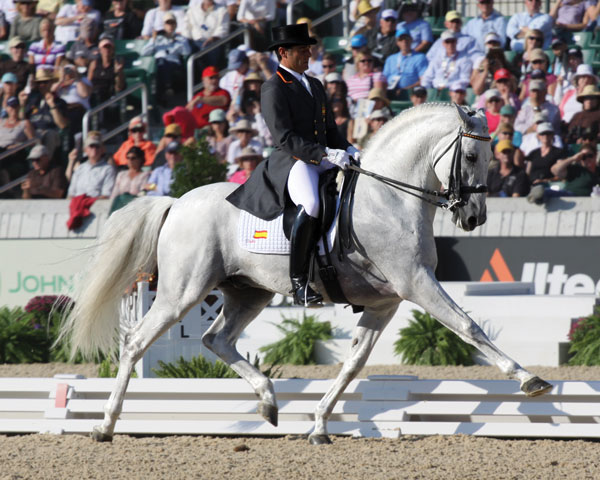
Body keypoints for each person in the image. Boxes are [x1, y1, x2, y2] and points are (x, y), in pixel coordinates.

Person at [226, 23, 357, 306]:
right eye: (302, 49)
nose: (309, 53)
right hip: (293, 160)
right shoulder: (273, 88)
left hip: (323, 157)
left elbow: (330, 130)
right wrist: (324, 154)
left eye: (309, 48)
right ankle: (299, 282)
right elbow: (284, 137)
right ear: (283, 52)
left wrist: (348, 148)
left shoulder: (316, 85)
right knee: (310, 204)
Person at [141, 12, 190, 104]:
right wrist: (154, 39)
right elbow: (144, 53)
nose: (170, 26)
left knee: (163, 64)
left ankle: (164, 92)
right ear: (164, 25)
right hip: (158, 64)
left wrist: (176, 40)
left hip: (173, 63)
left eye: (172, 23)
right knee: (160, 63)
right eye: (168, 23)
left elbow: (187, 52)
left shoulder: (181, 39)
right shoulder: (157, 38)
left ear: (176, 25)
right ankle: (166, 89)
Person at [20, 68, 68, 157]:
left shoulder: (60, 102)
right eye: (39, 83)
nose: (42, 85)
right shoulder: (32, 100)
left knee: (49, 134)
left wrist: (52, 105)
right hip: (33, 134)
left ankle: (44, 164)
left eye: (45, 82)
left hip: (51, 133)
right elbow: (22, 120)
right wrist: (22, 105)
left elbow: (62, 125)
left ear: (51, 83)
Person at [67, 131, 116, 199]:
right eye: (91, 146)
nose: (94, 149)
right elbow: (71, 193)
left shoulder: (108, 169)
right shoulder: (80, 168)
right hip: (77, 204)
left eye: (97, 146)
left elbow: (107, 194)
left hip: (97, 205)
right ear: (85, 150)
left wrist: (86, 202)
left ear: (102, 149)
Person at [383, 26, 428, 97]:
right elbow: (384, 79)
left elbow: (423, 80)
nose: (404, 41)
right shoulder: (391, 59)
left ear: (411, 40)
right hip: (390, 92)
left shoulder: (420, 57)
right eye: (401, 39)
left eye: (406, 39)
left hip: (410, 93)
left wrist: (406, 89)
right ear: (397, 42)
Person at [187, 65, 231, 130]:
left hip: (211, 130)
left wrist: (201, 99)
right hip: (194, 130)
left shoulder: (223, 92)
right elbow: (187, 110)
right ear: (203, 80)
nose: (214, 80)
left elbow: (223, 101)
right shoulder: (197, 96)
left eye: (216, 77)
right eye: (211, 78)